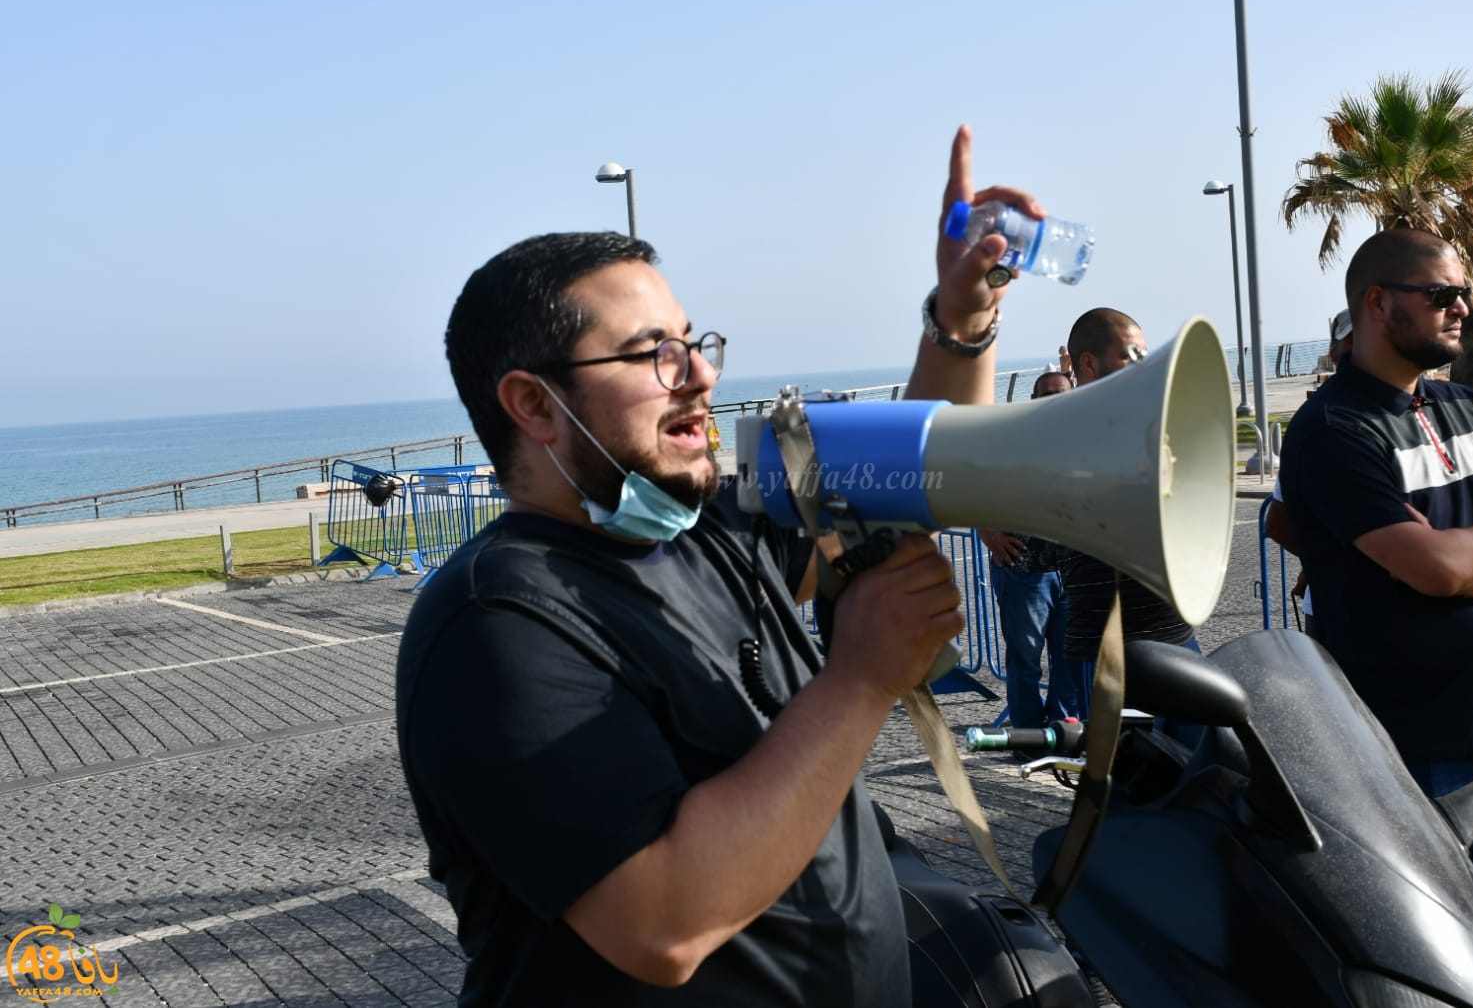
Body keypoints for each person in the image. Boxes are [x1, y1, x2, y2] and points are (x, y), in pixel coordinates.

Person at [394, 126, 1043, 1006]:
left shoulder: (706, 524)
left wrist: (960, 317)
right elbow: (660, 924)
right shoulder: (495, 626)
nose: (698, 374)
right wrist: (859, 681)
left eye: (695, 342)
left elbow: (898, 476)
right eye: (651, 352)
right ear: (533, 405)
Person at [1278, 227, 1473, 934]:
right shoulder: (1331, 429)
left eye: (1465, 296)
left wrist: (1469, 556)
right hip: (1405, 751)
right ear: (1377, 304)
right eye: (1442, 295)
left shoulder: (1467, 408)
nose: (1463, 311)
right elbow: (1437, 569)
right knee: (1422, 952)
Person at [1056, 308, 1198, 713]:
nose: (1145, 366)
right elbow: (1038, 549)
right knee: (1124, 773)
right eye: (1131, 355)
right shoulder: (1058, 434)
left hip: (1174, 635)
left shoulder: (1153, 425)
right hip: (1107, 647)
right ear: (1088, 363)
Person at [980, 370, 1080, 730]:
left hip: (1072, 570)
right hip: (1023, 570)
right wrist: (988, 533)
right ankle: (1026, 736)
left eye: (1060, 393)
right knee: (1025, 659)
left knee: (1069, 658)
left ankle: (1061, 731)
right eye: (1045, 394)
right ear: (1033, 398)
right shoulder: (1013, 437)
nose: (1053, 399)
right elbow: (977, 484)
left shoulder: (1083, 439)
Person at [1264, 307, 1355, 640]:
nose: (1362, 349)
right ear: (1333, 353)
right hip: (1337, 615)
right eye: (1351, 341)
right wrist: (1328, 561)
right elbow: (1277, 523)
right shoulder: (1317, 423)